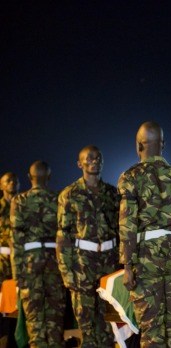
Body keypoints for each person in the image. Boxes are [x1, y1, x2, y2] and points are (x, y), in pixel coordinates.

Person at [118, 121, 171, 347]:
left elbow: (127, 224)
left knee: (151, 328)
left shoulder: (130, 177)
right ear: (163, 145)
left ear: (138, 145)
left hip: (146, 259)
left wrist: (127, 266)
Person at [57, 145, 120, 347]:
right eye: (89, 158)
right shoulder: (69, 194)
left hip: (109, 265)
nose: (95, 161)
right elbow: (63, 236)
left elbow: (120, 231)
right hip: (82, 265)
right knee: (87, 325)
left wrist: (122, 266)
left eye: (98, 157)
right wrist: (67, 274)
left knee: (109, 324)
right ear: (79, 164)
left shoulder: (112, 193)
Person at [10, 161, 65, 347]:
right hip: (55, 262)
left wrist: (17, 274)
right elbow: (66, 235)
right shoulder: (58, 198)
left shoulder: (19, 200)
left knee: (34, 320)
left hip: (29, 264)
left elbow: (15, 239)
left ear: (28, 177)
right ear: (48, 177)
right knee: (55, 319)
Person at [0, 172, 19, 284]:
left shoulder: (24, 206)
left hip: (21, 257)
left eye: (15, 181)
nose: (12, 183)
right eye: (8, 181)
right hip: (2, 257)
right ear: (1, 186)